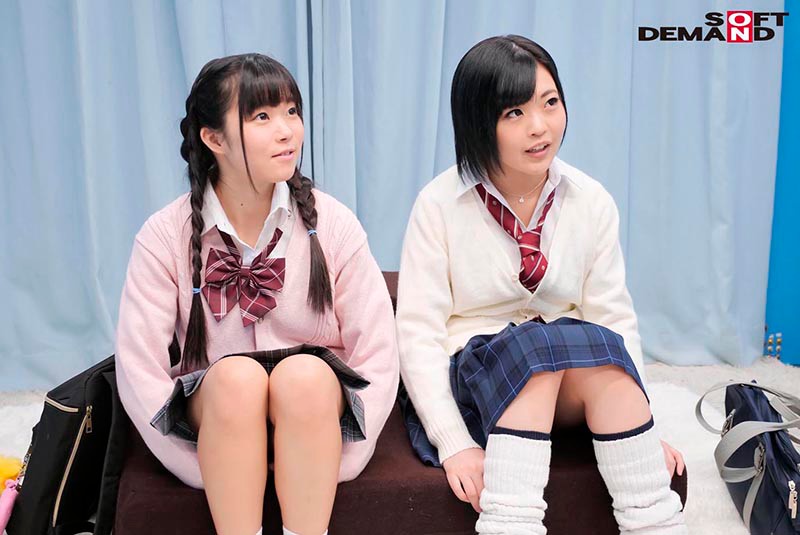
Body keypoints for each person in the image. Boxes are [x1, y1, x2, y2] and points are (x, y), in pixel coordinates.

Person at [396, 35, 687, 534]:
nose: (540, 126)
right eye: (514, 112)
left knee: (600, 351)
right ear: (478, 121)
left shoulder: (590, 199)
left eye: (550, 103)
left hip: (566, 374)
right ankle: (511, 523)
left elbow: (614, 317)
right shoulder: (439, 204)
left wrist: (642, 434)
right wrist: (455, 444)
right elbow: (418, 334)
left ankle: (655, 522)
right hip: (476, 380)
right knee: (536, 354)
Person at [115, 53, 399, 535]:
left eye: (291, 112)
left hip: (316, 412)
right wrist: (199, 463)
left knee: (304, 375)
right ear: (214, 139)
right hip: (217, 416)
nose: (288, 131)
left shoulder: (333, 224)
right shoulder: (164, 236)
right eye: (262, 117)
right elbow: (138, 370)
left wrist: (343, 454)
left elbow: (378, 352)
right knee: (237, 380)